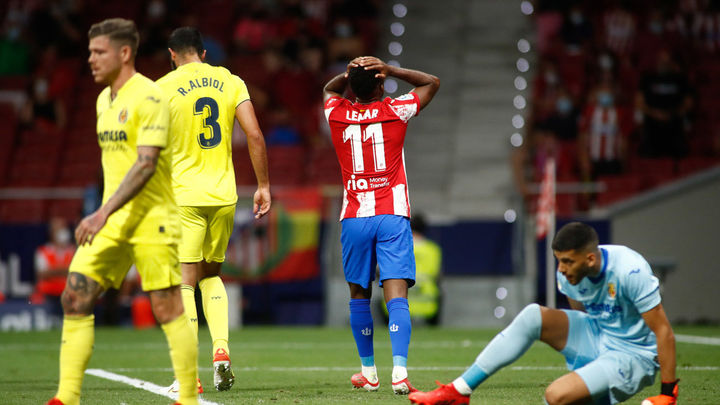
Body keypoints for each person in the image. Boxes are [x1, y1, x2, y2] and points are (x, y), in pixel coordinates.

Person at [46, 18, 198, 405]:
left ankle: (187, 398)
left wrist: (100, 212)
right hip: (113, 219)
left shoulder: (149, 97)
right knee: (75, 296)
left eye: (99, 52)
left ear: (125, 53)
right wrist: (104, 212)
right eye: (90, 51)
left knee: (166, 307)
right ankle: (67, 397)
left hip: (152, 218)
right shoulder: (103, 100)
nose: (91, 59)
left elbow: (146, 164)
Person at [409, 222, 678, 405]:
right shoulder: (568, 274)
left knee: (556, 395)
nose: (561, 269)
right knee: (532, 315)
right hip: (600, 334)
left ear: (590, 259)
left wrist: (667, 394)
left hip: (633, 355)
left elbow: (663, 331)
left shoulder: (629, 270)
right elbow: (583, 315)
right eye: (558, 260)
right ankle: (458, 391)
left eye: (567, 261)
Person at [156, 26, 271, 392]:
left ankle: (188, 374)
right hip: (224, 195)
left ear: (172, 55)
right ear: (203, 53)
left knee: (184, 281)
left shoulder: (162, 88)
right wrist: (263, 186)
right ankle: (221, 350)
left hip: (184, 196)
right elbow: (254, 134)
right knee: (211, 274)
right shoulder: (230, 80)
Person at [323, 56, 440, 394]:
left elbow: (329, 90)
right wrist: (391, 69)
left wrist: (349, 73)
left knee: (359, 295)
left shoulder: (337, 112)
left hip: (354, 217)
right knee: (396, 294)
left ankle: (369, 373)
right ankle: (399, 373)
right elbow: (431, 82)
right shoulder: (395, 110)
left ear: (351, 88)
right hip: (391, 215)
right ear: (381, 84)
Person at [31, 217, 75, 309]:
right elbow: (41, 274)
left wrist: (53, 270)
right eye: (58, 229)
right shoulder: (43, 251)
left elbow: (76, 272)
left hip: (69, 294)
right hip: (47, 294)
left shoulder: (73, 251)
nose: (62, 232)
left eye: (63, 228)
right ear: (51, 233)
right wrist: (64, 270)